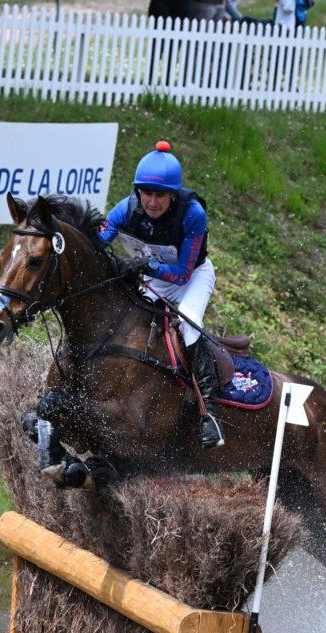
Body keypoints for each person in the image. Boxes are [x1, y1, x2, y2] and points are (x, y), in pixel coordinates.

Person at [98, 141, 225, 450]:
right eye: (147, 194)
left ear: (172, 194)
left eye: (160, 195)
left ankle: (211, 413)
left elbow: (182, 273)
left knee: (189, 323)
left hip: (193, 276)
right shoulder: (124, 209)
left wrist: (145, 264)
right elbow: (98, 240)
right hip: (158, 279)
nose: (153, 202)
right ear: (138, 192)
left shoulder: (192, 214)